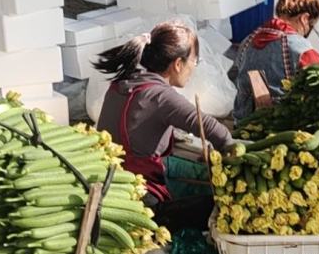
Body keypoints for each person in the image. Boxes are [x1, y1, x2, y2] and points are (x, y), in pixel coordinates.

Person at [96, 21, 232, 230]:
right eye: (194, 61)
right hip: (138, 201)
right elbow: (213, 129)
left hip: (109, 186)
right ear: (178, 64)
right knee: (220, 207)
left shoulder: (123, 84)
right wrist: (232, 153)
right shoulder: (160, 96)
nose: (193, 68)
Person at [231, 0, 319, 123]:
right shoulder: (302, 50)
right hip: (281, 135)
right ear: (304, 19)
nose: (307, 32)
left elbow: (234, 78)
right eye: (310, 26)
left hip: (243, 130)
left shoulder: (246, 42)